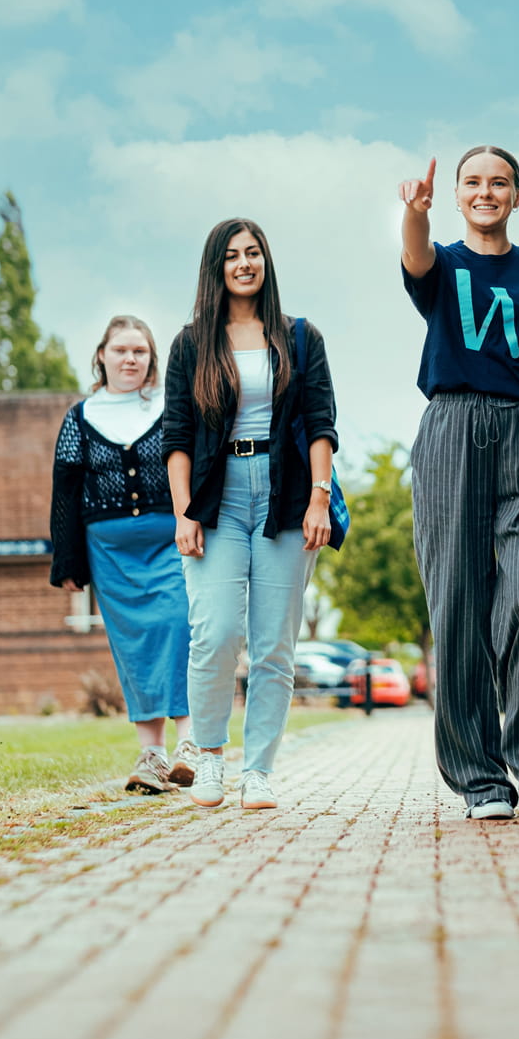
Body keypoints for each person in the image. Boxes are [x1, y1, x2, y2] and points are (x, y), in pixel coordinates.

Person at [398, 147, 519, 820]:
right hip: (451, 434)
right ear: (457, 195)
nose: (486, 192)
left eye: (499, 182)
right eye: (473, 182)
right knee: (457, 607)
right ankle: (480, 779)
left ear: (518, 195)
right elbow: (415, 254)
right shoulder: (444, 263)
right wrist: (414, 213)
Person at [163, 218, 338, 812]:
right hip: (217, 499)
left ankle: (258, 771)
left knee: (273, 646)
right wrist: (183, 512)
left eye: (254, 253)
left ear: (266, 261)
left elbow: (321, 423)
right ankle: (210, 755)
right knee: (214, 633)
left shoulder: (300, 336)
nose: (245, 263)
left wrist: (319, 498)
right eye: (233, 255)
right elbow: (177, 436)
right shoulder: (191, 344)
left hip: (286, 496)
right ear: (216, 268)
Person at [49, 315, 193, 794]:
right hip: (109, 551)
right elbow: (65, 492)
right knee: (132, 646)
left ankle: (190, 744)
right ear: (102, 356)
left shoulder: (172, 407)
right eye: (121, 350)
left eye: (140, 351)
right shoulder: (80, 417)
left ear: (152, 359)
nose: (130, 359)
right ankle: (152, 756)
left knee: (178, 625)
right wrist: (67, 561)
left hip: (171, 540)